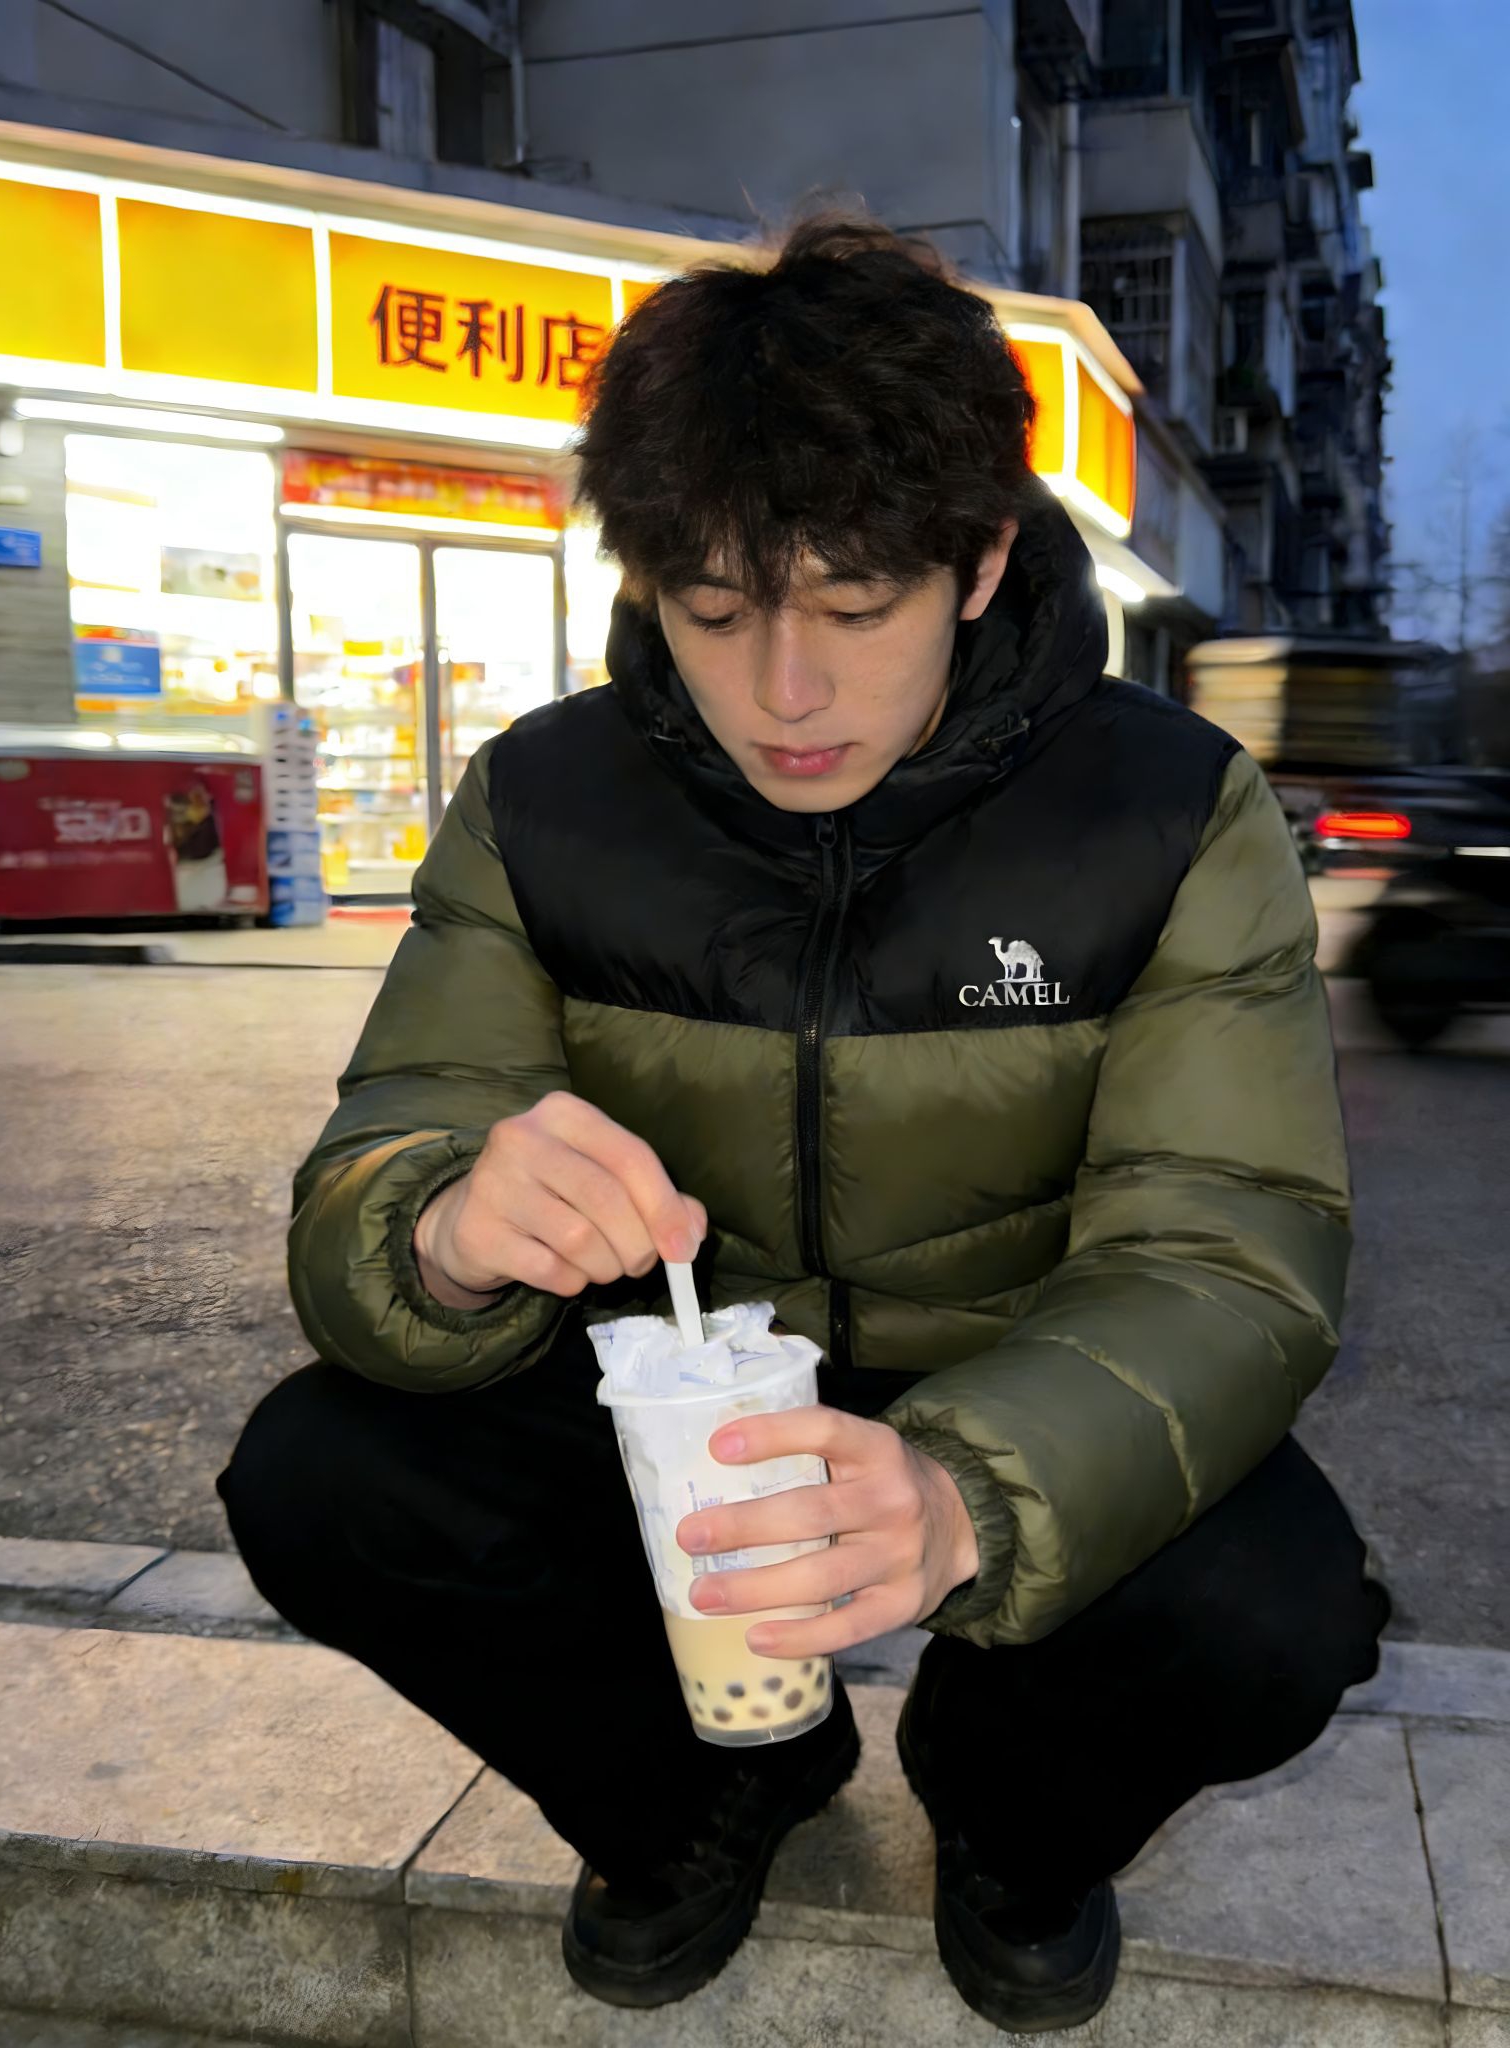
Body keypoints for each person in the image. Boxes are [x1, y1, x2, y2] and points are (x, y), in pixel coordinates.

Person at [216, 216, 1389, 2035]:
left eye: (855, 609)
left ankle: (1006, 1823)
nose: (785, 692)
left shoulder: (1169, 811)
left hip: (1023, 1369)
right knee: (323, 1476)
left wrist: (969, 1493)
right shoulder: (545, 797)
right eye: (713, 612)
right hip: (675, 1390)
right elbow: (392, 1145)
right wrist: (439, 1234)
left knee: (1276, 1610)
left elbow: (1228, 1254)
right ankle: (705, 1797)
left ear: (979, 561)